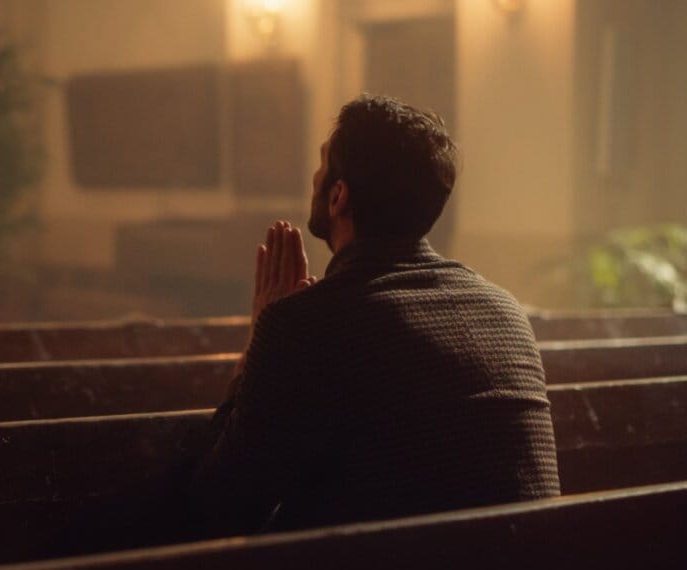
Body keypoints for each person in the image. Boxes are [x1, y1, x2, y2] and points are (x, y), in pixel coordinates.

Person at [188, 94, 559, 537]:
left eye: (323, 163)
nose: (314, 175)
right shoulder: (506, 313)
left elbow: (216, 510)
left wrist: (254, 350)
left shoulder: (304, 325)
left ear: (338, 195)